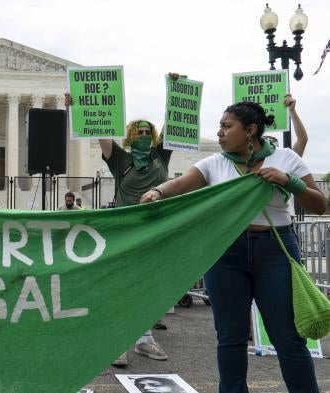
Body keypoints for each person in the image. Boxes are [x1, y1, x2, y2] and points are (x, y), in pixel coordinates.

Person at [140, 100, 325, 392]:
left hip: (275, 252)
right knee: (230, 337)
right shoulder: (215, 163)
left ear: (250, 130)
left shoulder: (286, 158)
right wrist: (156, 191)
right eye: (220, 127)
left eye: (227, 126)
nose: (220, 133)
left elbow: (319, 204)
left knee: (287, 337)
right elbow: (180, 185)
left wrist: (290, 182)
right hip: (225, 252)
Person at [66, 91, 173, 366]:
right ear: (130, 135)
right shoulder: (121, 160)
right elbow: (99, 132)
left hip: (156, 229)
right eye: (139, 132)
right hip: (125, 231)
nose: (144, 135)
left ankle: (144, 338)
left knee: (149, 286)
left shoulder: (161, 156)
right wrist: (75, 108)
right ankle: (117, 342)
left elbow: (174, 123)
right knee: (123, 285)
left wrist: (174, 90)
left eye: (148, 131)